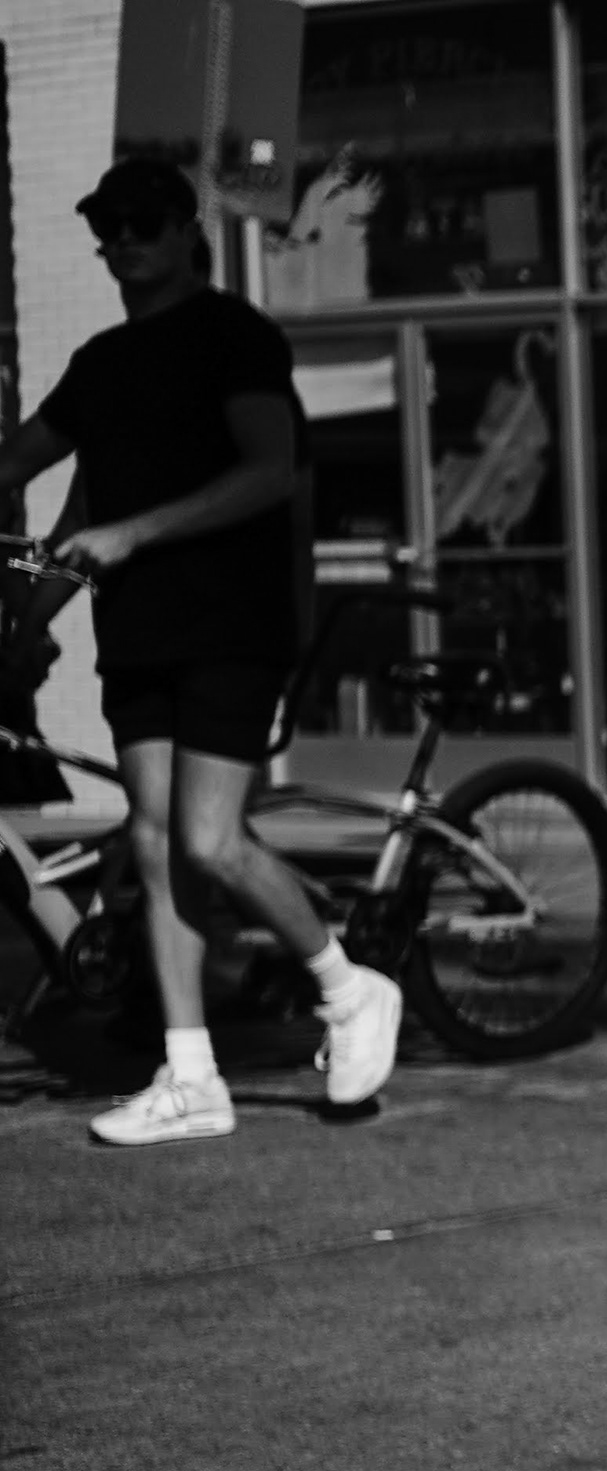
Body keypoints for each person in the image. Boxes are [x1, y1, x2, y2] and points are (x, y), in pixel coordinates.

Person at [0, 160, 399, 1145]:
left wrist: (134, 534)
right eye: (107, 225)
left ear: (187, 232)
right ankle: (191, 1077)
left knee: (207, 840)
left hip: (229, 625)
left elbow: (270, 472)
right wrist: (33, 617)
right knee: (151, 839)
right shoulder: (100, 365)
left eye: (143, 221)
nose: (122, 239)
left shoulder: (234, 336)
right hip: (137, 634)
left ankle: (349, 991)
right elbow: (41, 481)